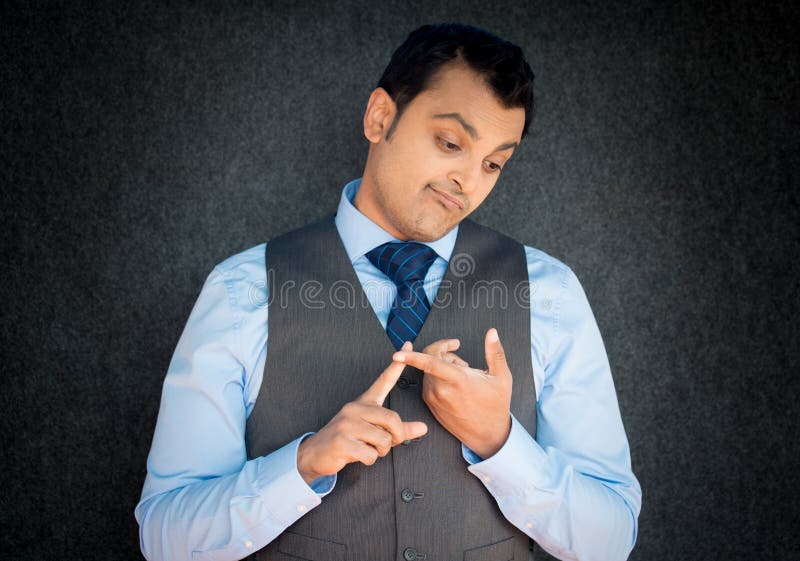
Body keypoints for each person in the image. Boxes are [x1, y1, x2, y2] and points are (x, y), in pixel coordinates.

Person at [136, 23, 641, 561]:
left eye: (494, 163)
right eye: (450, 143)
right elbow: (164, 539)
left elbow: (609, 542)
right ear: (381, 117)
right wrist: (301, 465)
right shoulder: (241, 291)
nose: (468, 179)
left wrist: (501, 442)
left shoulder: (550, 293)